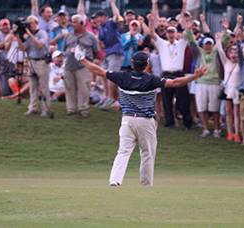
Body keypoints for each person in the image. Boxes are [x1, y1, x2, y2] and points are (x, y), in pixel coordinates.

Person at [75, 50, 206, 186]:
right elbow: (174, 83)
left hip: (127, 120)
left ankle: (115, 180)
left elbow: (99, 71)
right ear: (147, 65)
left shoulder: (122, 77)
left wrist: (82, 59)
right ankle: (145, 184)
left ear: (132, 64)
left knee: (123, 152)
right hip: (145, 121)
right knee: (147, 153)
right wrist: (194, 77)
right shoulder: (151, 80)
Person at [149, 13, 193, 129]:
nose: (171, 34)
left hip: (178, 74)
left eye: (173, 32)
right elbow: (152, 33)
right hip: (166, 74)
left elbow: (187, 32)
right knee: (166, 100)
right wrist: (151, 22)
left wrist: (187, 21)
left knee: (183, 100)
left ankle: (187, 122)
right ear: (166, 34)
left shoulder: (181, 43)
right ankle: (170, 122)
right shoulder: (162, 43)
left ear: (176, 33)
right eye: (169, 32)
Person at [63, 14, 100, 117]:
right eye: (72, 21)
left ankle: (83, 109)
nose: (72, 24)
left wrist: (94, 62)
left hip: (84, 66)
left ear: (82, 23)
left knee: (84, 88)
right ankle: (71, 109)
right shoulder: (68, 36)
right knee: (70, 88)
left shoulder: (91, 37)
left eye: (74, 22)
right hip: (69, 65)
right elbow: (64, 49)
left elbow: (97, 51)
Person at [16, 15, 53, 117]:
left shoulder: (42, 33)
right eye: (28, 23)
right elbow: (23, 48)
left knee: (44, 87)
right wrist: (18, 37)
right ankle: (33, 108)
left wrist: (29, 34)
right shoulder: (28, 36)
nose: (29, 25)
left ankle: (46, 109)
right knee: (33, 87)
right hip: (31, 61)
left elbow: (40, 45)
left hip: (42, 61)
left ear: (36, 23)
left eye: (31, 23)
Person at [95, 0, 124, 109]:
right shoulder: (101, 28)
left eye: (99, 17)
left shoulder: (111, 23)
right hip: (108, 54)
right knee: (103, 75)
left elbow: (117, 16)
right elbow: (101, 43)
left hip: (116, 53)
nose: (97, 19)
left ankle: (113, 99)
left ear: (104, 17)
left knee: (112, 76)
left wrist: (112, 3)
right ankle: (106, 97)